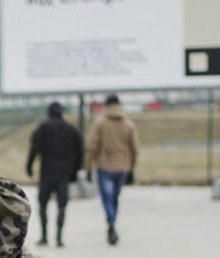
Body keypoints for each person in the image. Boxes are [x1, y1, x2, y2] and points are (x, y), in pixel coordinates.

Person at [25, 101, 83, 247]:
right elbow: (80, 152)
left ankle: (44, 236)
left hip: (47, 173)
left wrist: (29, 166)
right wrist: (75, 172)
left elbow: (34, 148)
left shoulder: (43, 127)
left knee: (43, 204)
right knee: (62, 205)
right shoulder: (71, 129)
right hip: (63, 174)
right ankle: (59, 237)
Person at [85, 93, 138, 245]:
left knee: (107, 198)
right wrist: (131, 169)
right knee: (115, 198)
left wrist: (88, 168)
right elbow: (135, 149)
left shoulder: (100, 123)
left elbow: (92, 147)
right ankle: (112, 221)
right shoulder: (128, 124)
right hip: (122, 167)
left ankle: (111, 222)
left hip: (104, 166)